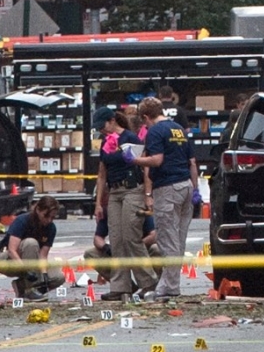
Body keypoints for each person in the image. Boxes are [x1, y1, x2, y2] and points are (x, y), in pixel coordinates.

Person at [133, 97, 198, 301]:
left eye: (143, 121)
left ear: (145, 117)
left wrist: (133, 159)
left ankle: (169, 287)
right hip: (185, 185)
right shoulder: (178, 128)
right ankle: (172, 284)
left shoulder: (155, 131)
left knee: (167, 239)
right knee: (179, 239)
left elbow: (156, 160)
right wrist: (195, 189)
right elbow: (192, 162)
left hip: (167, 187)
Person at [92, 107, 158, 301]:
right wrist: (98, 203)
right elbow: (102, 174)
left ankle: (149, 283)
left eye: (102, 125)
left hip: (132, 190)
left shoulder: (131, 138)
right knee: (117, 239)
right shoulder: (105, 143)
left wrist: (147, 195)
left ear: (112, 121)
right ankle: (121, 286)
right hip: (114, 192)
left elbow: (144, 168)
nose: (101, 130)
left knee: (131, 236)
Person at [0, 196, 66, 301]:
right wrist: (25, 270)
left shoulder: (51, 228)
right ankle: (30, 290)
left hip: (32, 263)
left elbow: (43, 255)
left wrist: (44, 274)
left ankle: (21, 287)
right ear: (38, 210)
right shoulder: (22, 221)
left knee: (58, 277)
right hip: (9, 260)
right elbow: (12, 250)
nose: (48, 220)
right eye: (46, 216)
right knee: (31, 243)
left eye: (52, 217)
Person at [84, 211, 160, 285]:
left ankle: (154, 285)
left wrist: (136, 245)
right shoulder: (110, 212)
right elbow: (97, 238)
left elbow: (153, 236)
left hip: (141, 248)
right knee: (90, 254)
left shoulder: (139, 211)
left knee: (155, 249)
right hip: (119, 250)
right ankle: (123, 285)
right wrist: (107, 248)